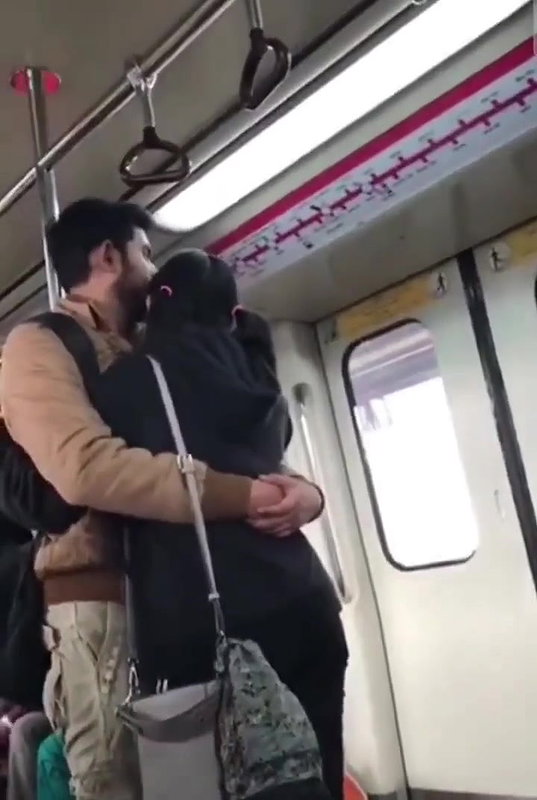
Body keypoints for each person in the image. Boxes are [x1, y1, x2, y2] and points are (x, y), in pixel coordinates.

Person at [0, 199, 326, 800]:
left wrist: (304, 491)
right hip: (103, 603)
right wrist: (244, 496)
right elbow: (85, 469)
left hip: (185, 594)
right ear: (108, 256)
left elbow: (229, 445)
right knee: (117, 780)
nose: (155, 272)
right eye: (146, 254)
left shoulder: (157, 347)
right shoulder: (40, 345)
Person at [95, 250, 348, 800]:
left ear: (155, 309)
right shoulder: (257, 372)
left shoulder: (130, 382)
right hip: (306, 602)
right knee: (316, 768)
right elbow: (274, 461)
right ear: (230, 314)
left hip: (202, 621)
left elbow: (94, 487)